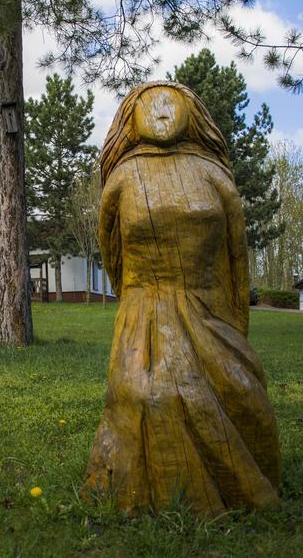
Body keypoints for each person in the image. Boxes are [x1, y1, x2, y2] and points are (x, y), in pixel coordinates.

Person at [83, 81, 280, 515]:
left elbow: (237, 257)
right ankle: (149, 497)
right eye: (149, 104)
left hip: (211, 310)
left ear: (194, 112)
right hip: (144, 310)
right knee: (143, 393)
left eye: (172, 103)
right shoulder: (122, 177)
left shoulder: (214, 175)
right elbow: (112, 254)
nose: (161, 113)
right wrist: (135, 305)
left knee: (245, 396)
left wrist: (235, 327)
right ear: (129, 118)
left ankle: (240, 492)